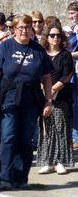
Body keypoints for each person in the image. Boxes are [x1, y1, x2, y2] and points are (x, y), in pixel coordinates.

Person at [0, 14, 53, 192]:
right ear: (14, 29)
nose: (24, 30)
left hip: (31, 98)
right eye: (21, 27)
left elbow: (46, 78)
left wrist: (48, 101)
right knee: (7, 137)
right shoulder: (5, 47)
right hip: (9, 97)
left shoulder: (38, 50)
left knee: (25, 139)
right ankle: (4, 179)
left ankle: (21, 178)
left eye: (28, 27)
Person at [37, 24, 74, 174]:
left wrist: (51, 91)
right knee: (47, 129)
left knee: (60, 129)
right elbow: (37, 73)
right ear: (47, 37)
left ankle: (60, 161)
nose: (55, 38)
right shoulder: (41, 54)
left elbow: (67, 76)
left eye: (58, 35)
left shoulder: (65, 55)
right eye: (52, 35)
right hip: (43, 96)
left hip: (60, 97)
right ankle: (48, 161)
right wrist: (43, 91)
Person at [66, 1, 78, 150]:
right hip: (74, 71)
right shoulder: (73, 29)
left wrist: (68, 55)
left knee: (75, 105)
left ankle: (75, 137)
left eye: (72, 13)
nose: (69, 17)